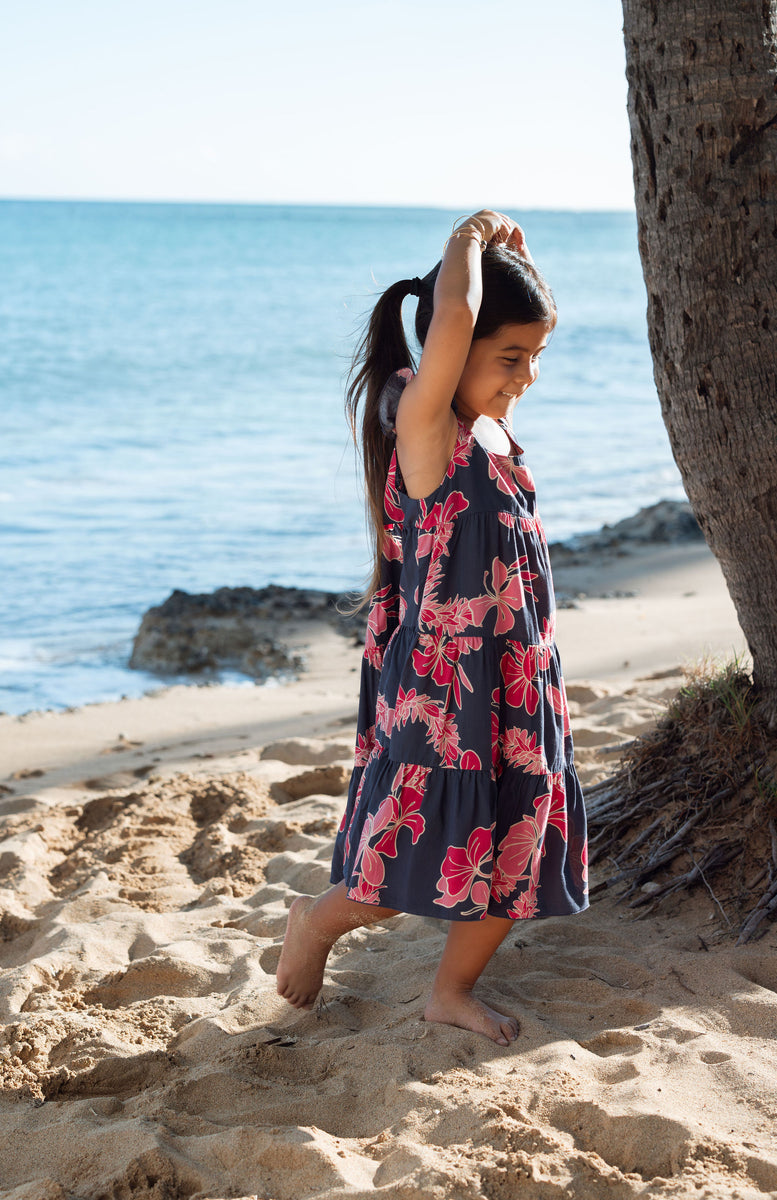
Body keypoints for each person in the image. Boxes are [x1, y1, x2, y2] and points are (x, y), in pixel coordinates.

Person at [277, 209, 588, 1046]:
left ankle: (448, 992)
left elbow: (476, 325)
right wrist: (467, 240)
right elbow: (455, 317)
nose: (524, 376)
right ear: (448, 357)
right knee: (394, 870)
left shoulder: (492, 430)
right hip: (443, 694)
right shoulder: (425, 430)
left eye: (535, 359)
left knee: (515, 861)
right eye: (509, 358)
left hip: (517, 685)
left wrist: (509, 270)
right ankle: (315, 920)